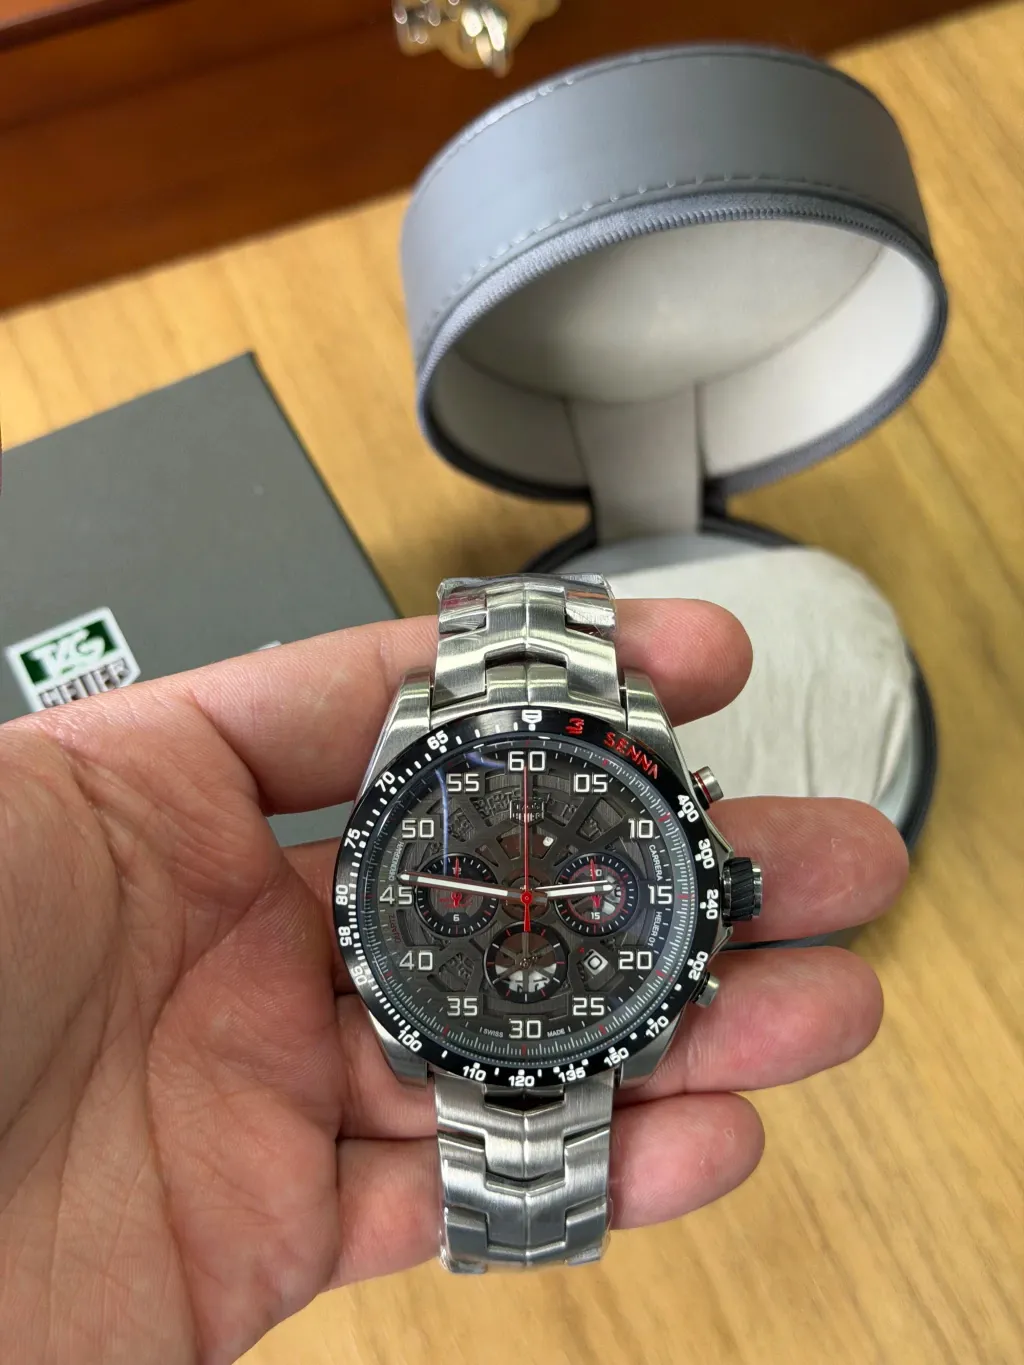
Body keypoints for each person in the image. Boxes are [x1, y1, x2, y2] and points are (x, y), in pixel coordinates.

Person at [0, 600, 905, 1365]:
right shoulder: (410, 812)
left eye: (582, 896)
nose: (524, 902)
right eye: (466, 892)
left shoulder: (637, 797)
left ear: (717, 886)